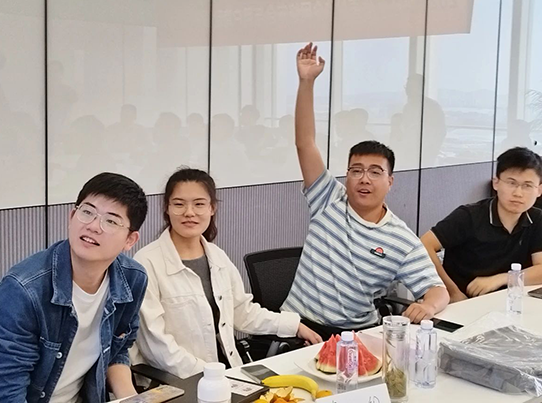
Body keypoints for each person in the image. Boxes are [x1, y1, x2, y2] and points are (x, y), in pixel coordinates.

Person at [280, 43, 449, 337]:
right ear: (347, 176)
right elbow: (305, 143)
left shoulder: (400, 238)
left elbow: (437, 290)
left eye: (375, 172)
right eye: (356, 171)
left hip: (356, 335)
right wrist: (306, 82)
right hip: (299, 328)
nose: (364, 179)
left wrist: (429, 306)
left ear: (390, 181)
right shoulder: (328, 198)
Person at [0, 173, 148, 402]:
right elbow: (5, 393)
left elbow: (117, 350)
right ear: (72, 216)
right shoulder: (22, 291)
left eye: (111, 221)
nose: (93, 226)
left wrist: (131, 399)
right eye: (87, 212)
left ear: (130, 240)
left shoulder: (132, 279)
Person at [129, 167, 322, 379]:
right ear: (166, 208)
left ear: (212, 208)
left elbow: (241, 312)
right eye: (179, 204)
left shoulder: (217, 256)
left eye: (199, 204)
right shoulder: (146, 263)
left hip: (226, 371)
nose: (189, 212)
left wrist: (294, 326)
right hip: (177, 381)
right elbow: (156, 345)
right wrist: (212, 377)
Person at [421, 147, 542, 302]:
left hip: (508, 301)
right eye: (511, 183)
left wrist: (501, 279)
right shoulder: (469, 216)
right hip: (463, 301)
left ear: (539, 190)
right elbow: (424, 245)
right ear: (496, 183)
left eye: (527, 185)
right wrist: (452, 292)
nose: (518, 193)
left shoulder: (537, 219)